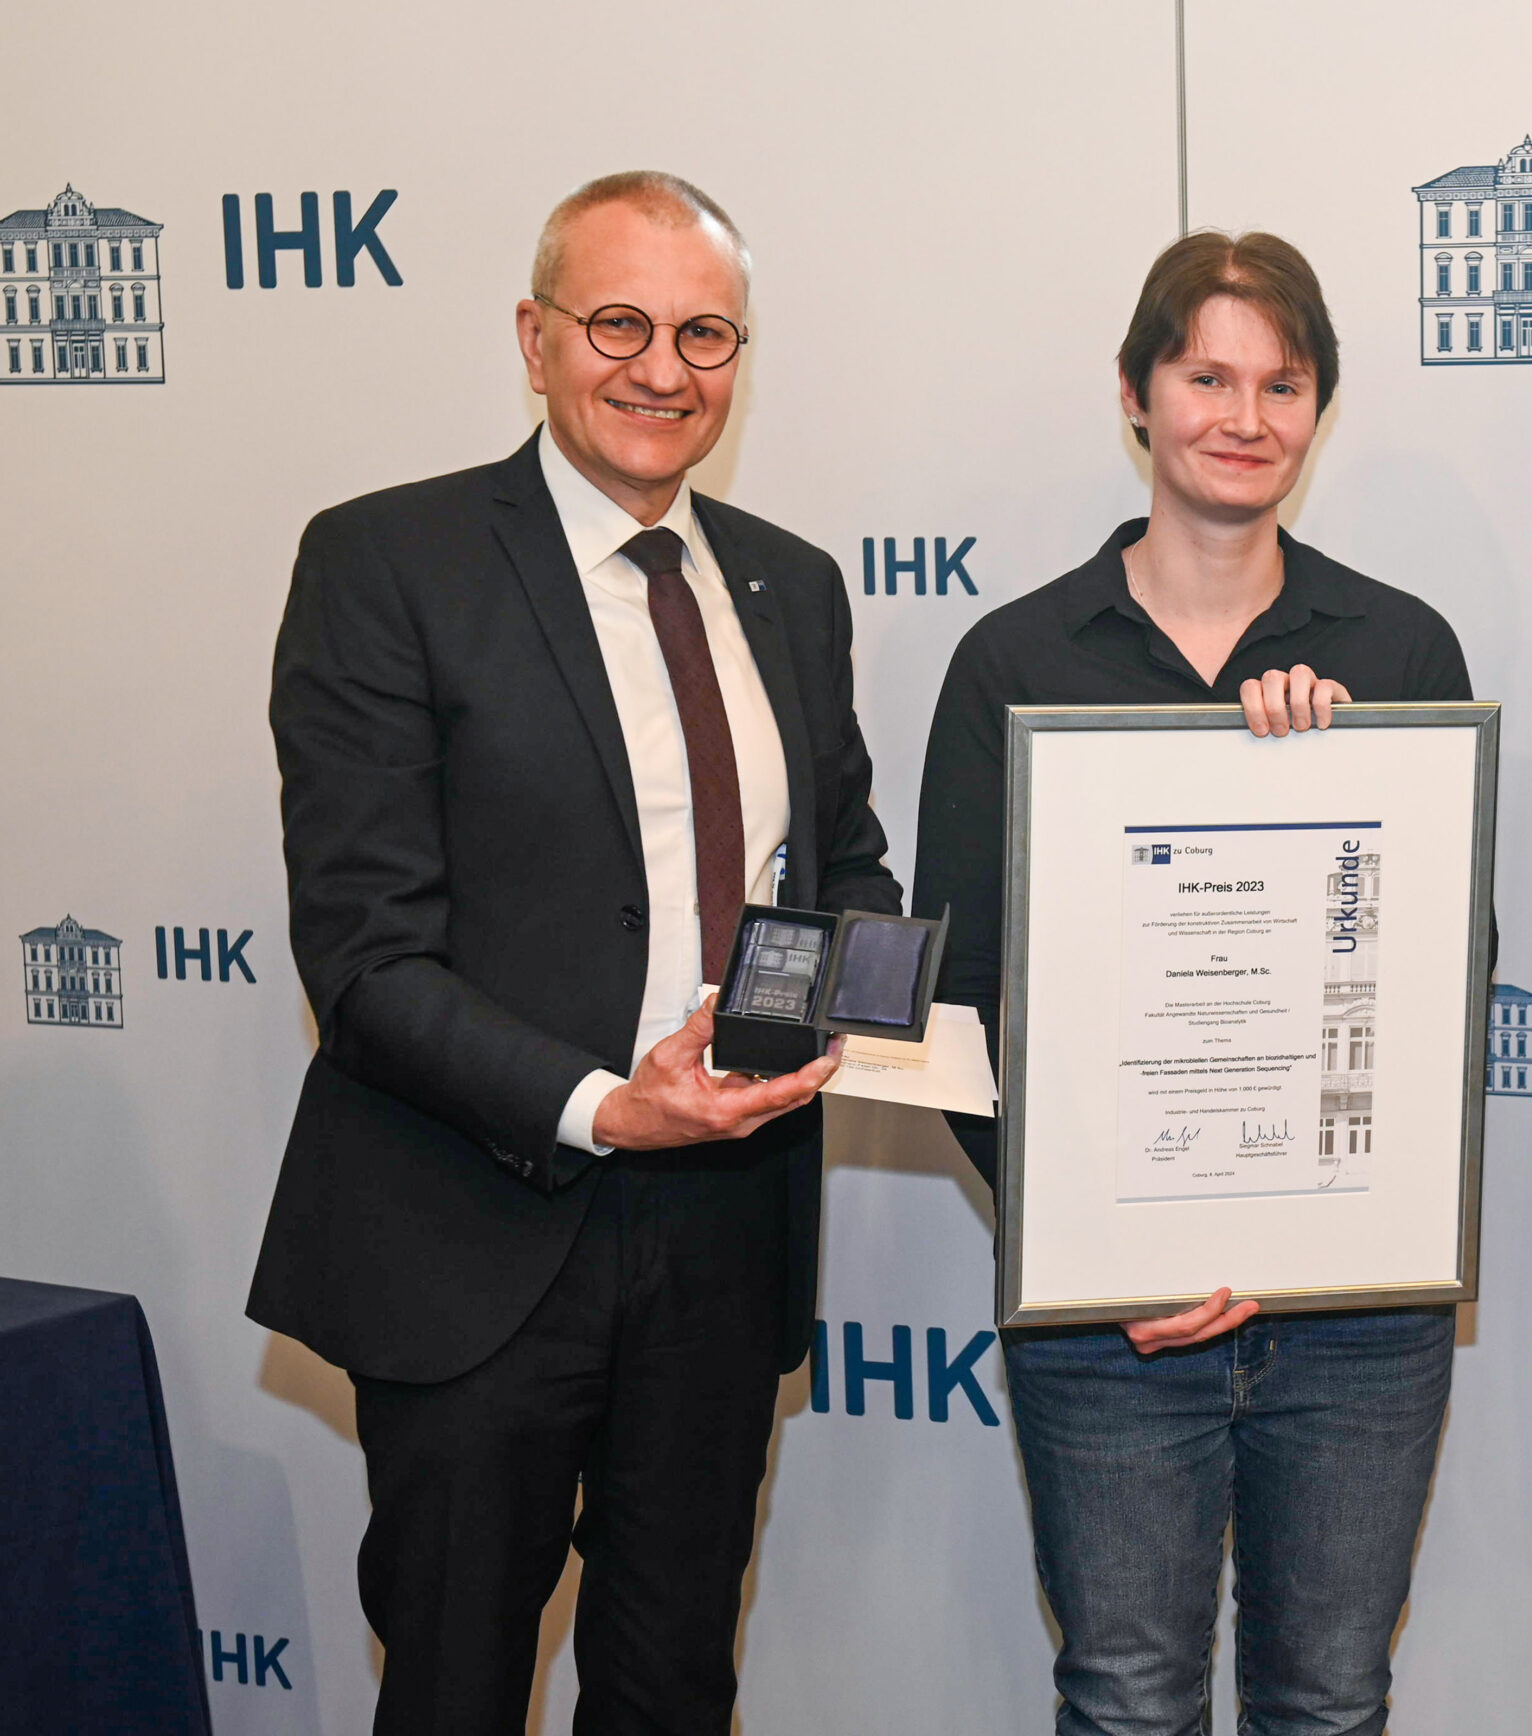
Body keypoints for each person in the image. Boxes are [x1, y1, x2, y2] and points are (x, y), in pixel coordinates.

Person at [247, 171, 901, 1734]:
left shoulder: (792, 587)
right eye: (620, 323)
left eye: (704, 333)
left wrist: (882, 1003)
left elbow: (845, 867)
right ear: (534, 339)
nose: (662, 369)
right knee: (460, 1685)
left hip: (728, 1233)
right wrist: (610, 1103)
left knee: (674, 1684)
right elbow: (364, 956)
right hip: (478, 1226)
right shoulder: (386, 563)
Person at [913, 230, 1472, 1736]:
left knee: (1332, 1701)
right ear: (1137, 396)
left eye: (1282, 382)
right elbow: (958, 1013)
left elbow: (1443, 984)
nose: (1245, 415)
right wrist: (1089, 1242)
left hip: (1356, 1320)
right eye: (1207, 375)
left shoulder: (1396, 649)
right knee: (1126, 1699)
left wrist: (1342, 779)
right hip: (1110, 1325)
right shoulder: (1012, 659)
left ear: (1319, 407)